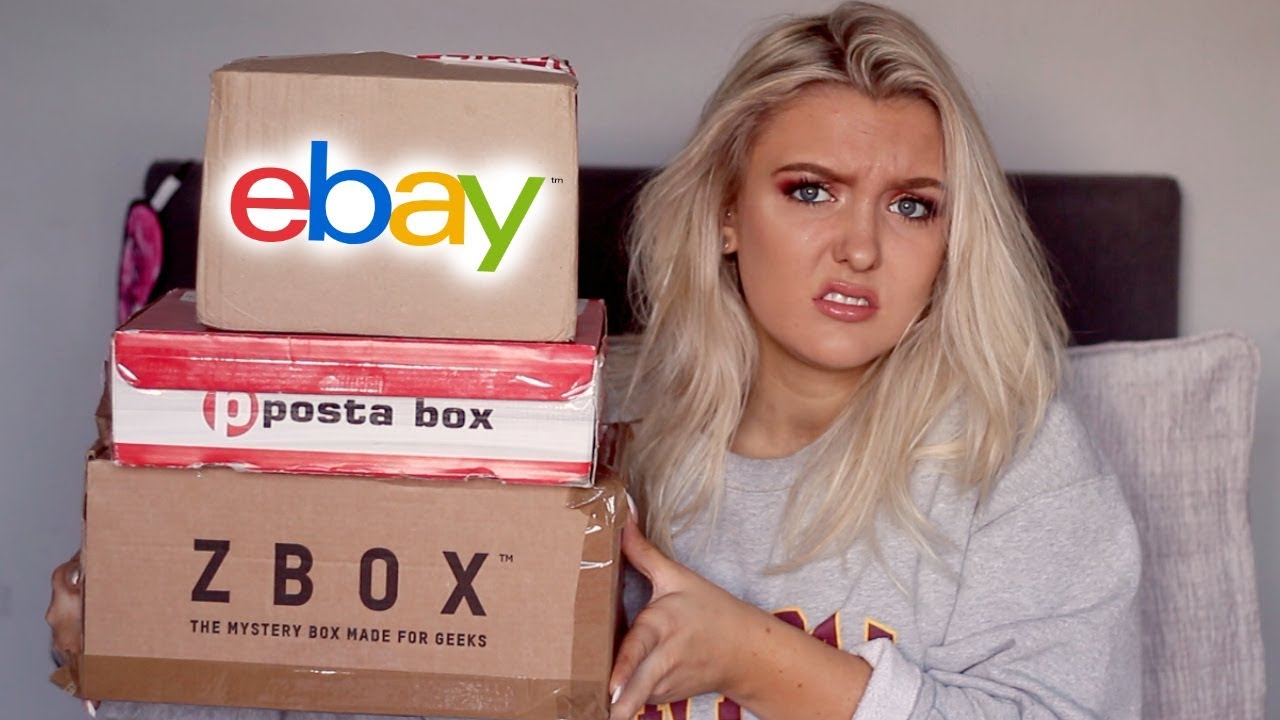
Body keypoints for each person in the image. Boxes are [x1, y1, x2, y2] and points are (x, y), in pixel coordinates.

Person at [48, 2, 1141, 719]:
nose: (859, 247)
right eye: (809, 190)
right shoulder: (568, 413)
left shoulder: (1008, 454)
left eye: (911, 206)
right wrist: (139, 635)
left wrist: (758, 659)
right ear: (724, 213)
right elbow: (369, 664)